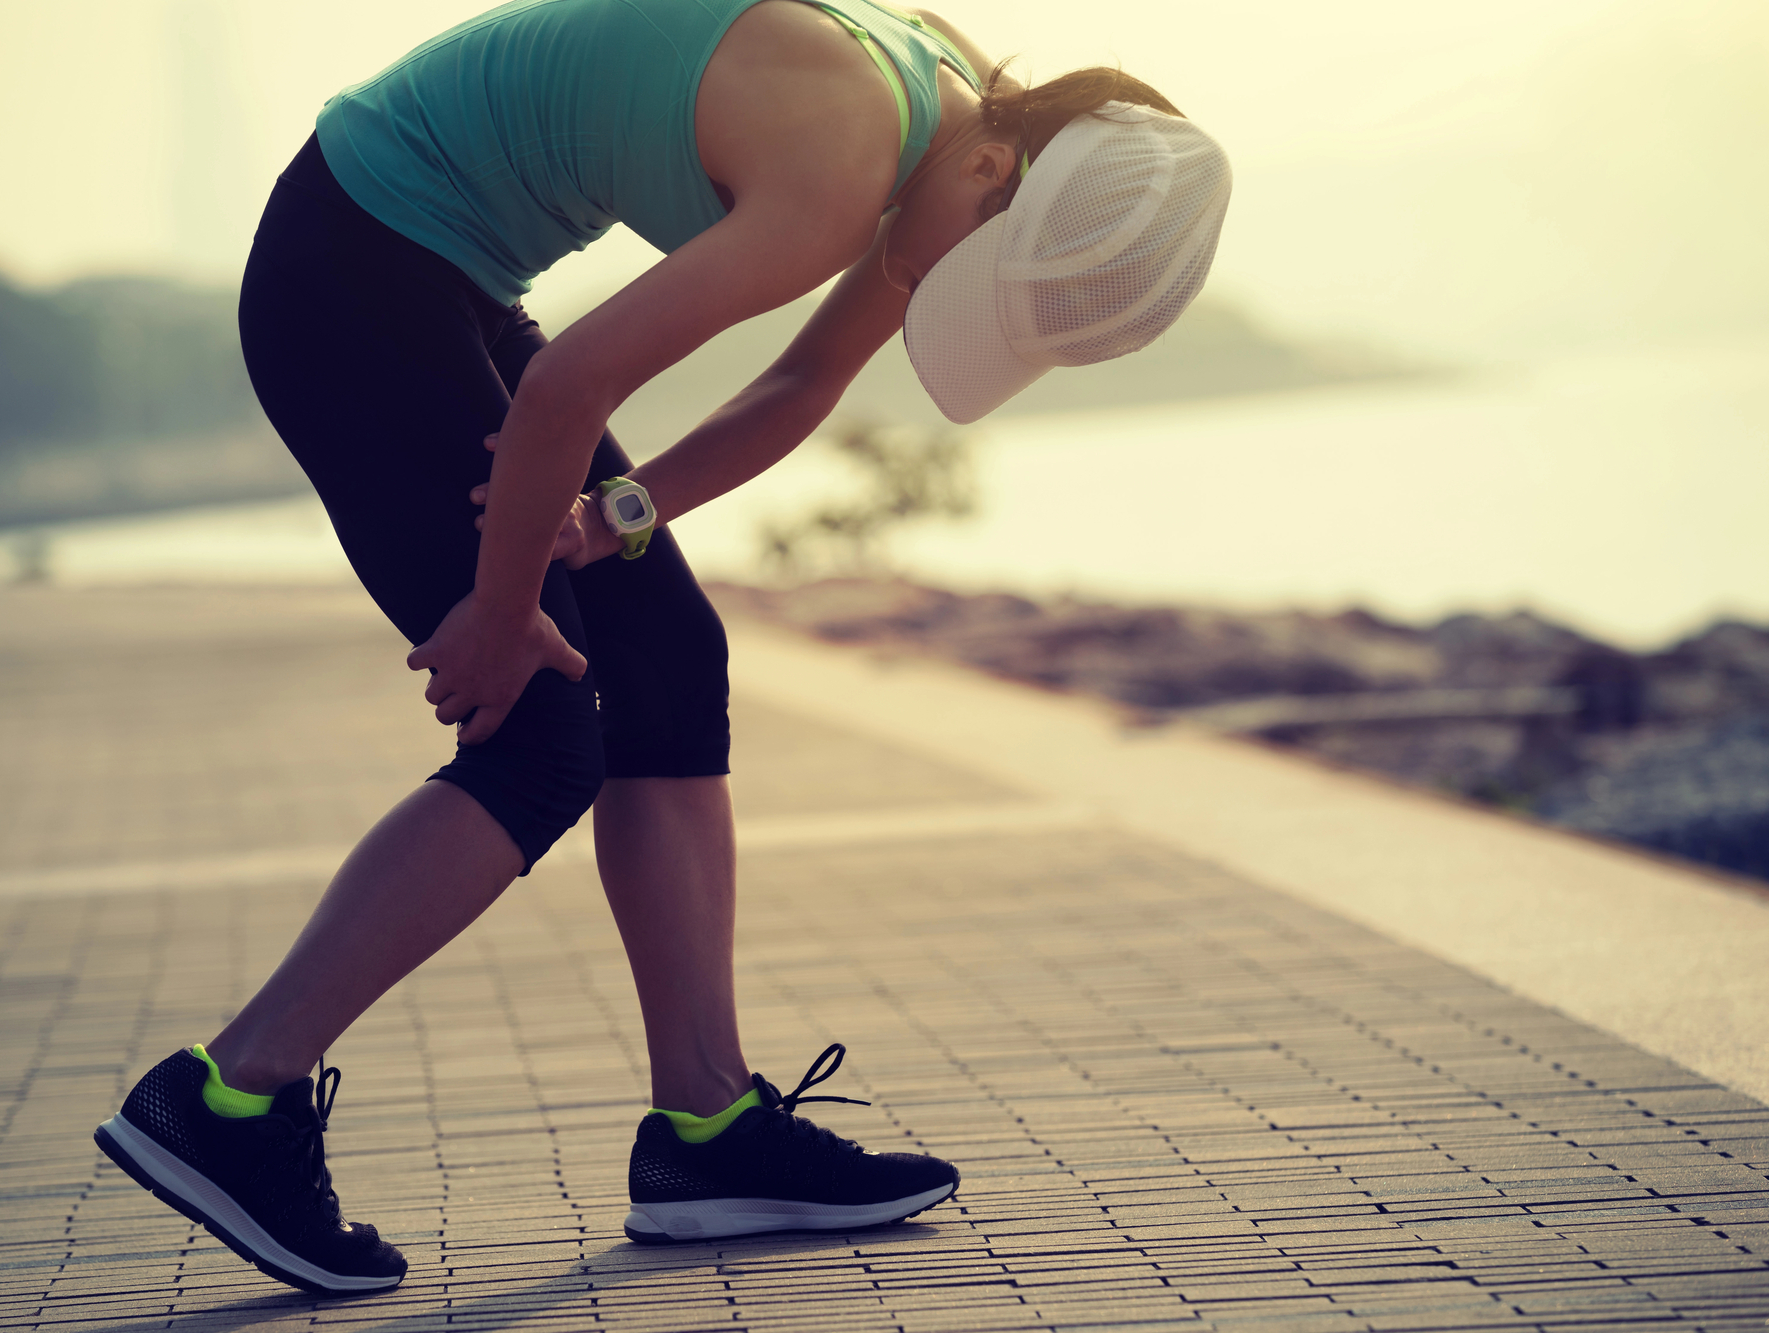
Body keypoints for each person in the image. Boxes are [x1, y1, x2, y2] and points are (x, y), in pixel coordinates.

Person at [92, 0, 1230, 1298]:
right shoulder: (850, 151)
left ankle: (706, 1129)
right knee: (542, 732)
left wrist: (608, 521)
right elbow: (568, 386)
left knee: (670, 670)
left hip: (443, 275)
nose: (927, 286)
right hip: (353, 269)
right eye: (970, 264)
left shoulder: (946, 104)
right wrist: (508, 603)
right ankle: (227, 1097)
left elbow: (794, 390)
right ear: (992, 170)